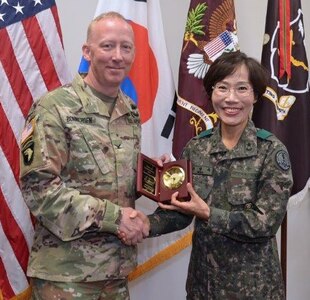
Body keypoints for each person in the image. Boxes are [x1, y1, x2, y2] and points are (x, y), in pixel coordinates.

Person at [127, 51, 293, 299]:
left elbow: (265, 224)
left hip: (254, 289)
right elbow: (182, 211)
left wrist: (207, 213)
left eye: (241, 89)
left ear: (255, 96)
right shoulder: (197, 147)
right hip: (203, 287)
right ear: (211, 93)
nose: (231, 98)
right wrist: (147, 224)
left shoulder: (271, 151)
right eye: (222, 88)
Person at [19, 12, 153, 300]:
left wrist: (159, 177)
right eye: (107, 46)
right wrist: (116, 218)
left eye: (126, 47)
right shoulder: (55, 107)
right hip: (66, 277)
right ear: (87, 51)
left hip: (116, 274)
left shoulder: (129, 110)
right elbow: (39, 189)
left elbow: (117, 179)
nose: (117, 56)